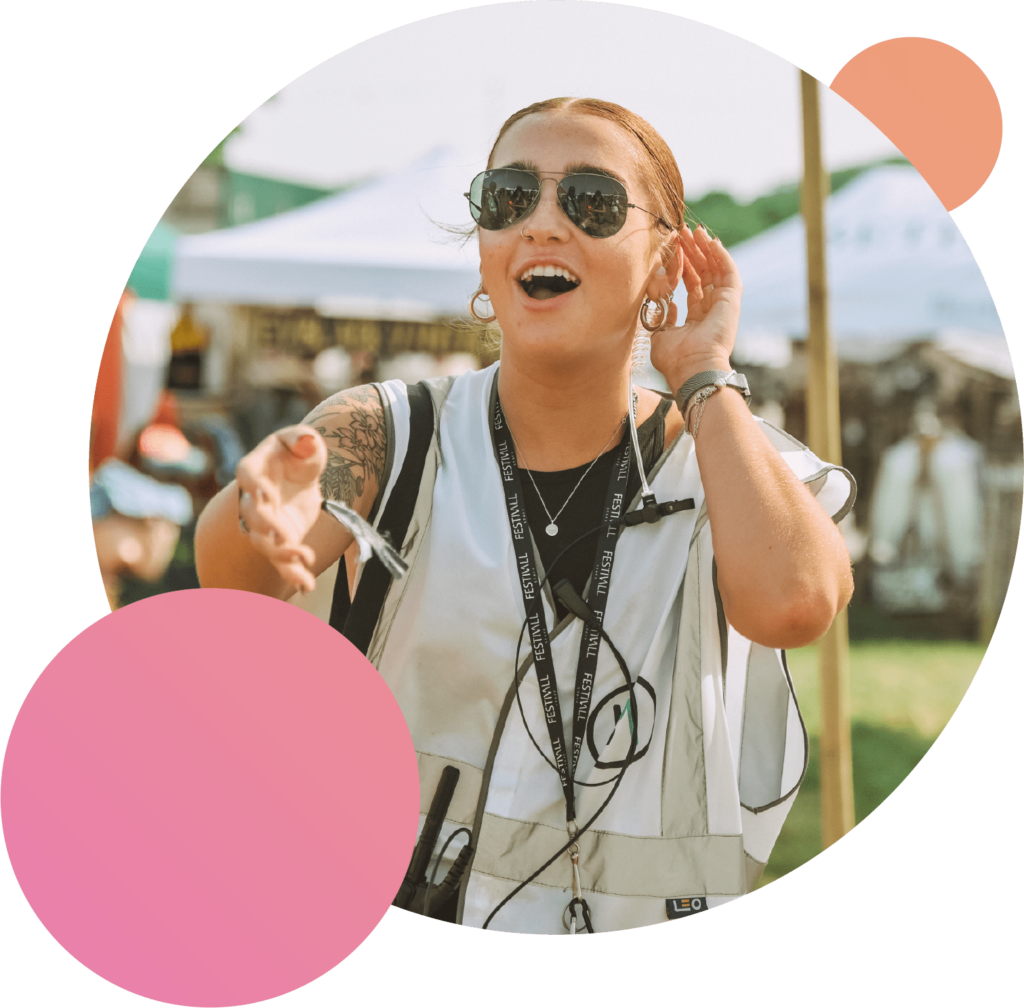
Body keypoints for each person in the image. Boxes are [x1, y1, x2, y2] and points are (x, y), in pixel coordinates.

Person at [195, 97, 854, 935]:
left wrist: (703, 373)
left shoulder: (726, 458)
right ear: (485, 252)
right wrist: (259, 508)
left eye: (592, 201)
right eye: (508, 198)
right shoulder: (387, 429)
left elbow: (795, 604)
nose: (542, 223)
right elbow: (238, 581)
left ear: (663, 264)